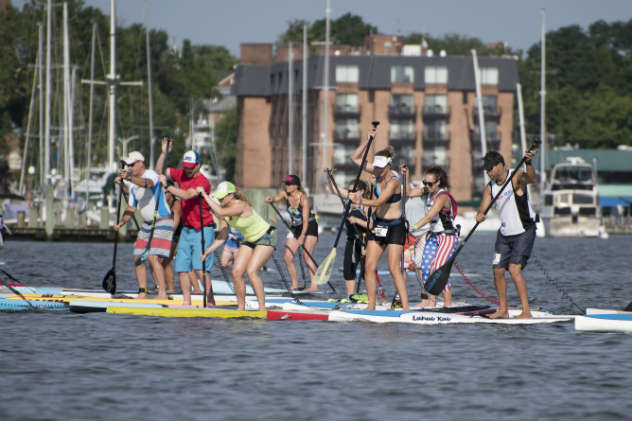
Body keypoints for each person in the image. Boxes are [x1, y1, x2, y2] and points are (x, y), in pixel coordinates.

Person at [348, 128, 409, 310]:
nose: (377, 170)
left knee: (393, 268)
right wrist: (367, 141)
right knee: (369, 267)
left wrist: (359, 200)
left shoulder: (394, 182)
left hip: (396, 226)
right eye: (376, 166)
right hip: (380, 225)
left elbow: (380, 201)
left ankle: (406, 308)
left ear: (388, 166)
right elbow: (354, 158)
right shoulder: (375, 172)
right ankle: (372, 306)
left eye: (381, 167)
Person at [476, 149, 538, 319]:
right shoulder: (489, 188)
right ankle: (503, 310)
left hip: (523, 231)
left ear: (501, 165)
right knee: (497, 270)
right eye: (486, 169)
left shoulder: (515, 177)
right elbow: (483, 209)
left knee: (514, 269)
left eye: (491, 168)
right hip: (504, 234)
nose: (489, 172)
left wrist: (528, 163)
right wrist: (480, 215)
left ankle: (526, 312)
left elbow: (532, 179)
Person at [198, 182, 277, 311]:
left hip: (266, 236)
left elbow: (219, 210)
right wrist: (207, 252)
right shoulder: (224, 214)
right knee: (236, 272)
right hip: (249, 240)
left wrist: (204, 195)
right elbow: (222, 237)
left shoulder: (240, 205)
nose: (219, 200)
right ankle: (241, 308)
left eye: (222, 197)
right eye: (218, 198)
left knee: (251, 271)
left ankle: (262, 308)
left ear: (231, 196)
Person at [156, 139, 216, 307]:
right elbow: (158, 170)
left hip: (203, 229)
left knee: (199, 269)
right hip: (187, 230)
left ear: (198, 165)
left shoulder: (203, 182)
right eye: (185, 168)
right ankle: (187, 302)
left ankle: (210, 301)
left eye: (190, 168)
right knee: (182, 269)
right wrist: (163, 153)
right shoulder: (181, 173)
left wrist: (167, 185)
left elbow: (187, 195)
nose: (187, 171)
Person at [113, 151, 173, 300]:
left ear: (140, 163)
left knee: (153, 257)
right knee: (137, 257)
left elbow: (149, 184)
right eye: (128, 166)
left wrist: (128, 178)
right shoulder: (133, 187)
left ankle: (162, 294)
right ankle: (142, 292)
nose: (130, 168)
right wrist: (121, 222)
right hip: (147, 225)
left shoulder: (151, 174)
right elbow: (131, 208)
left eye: (132, 165)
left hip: (162, 220)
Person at [408, 166, 459, 308]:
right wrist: (405, 175)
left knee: (439, 269)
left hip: (447, 237)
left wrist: (413, 228)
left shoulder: (442, 196)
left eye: (430, 184)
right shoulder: (427, 191)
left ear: (438, 182)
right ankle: (431, 302)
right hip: (433, 236)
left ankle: (447, 304)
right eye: (425, 183)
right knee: (425, 267)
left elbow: (430, 216)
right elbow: (409, 193)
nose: (426, 186)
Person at [264, 175, 319, 292]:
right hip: (295, 227)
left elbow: (305, 220)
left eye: (289, 184)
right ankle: (295, 284)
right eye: (286, 184)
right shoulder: (285, 194)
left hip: (309, 226)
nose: (286, 186)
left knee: (307, 256)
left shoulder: (303, 198)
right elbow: (276, 197)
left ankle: (314, 286)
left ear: (296, 186)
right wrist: (271, 199)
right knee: (287, 257)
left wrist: (302, 236)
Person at [326, 176, 369, 298]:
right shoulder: (347, 200)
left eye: (353, 191)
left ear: (361, 192)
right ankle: (351, 296)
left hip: (365, 240)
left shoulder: (366, 205)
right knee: (348, 269)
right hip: (351, 239)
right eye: (349, 191)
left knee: (367, 271)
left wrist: (356, 220)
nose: (350, 193)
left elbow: (372, 225)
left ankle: (372, 296)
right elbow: (333, 189)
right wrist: (330, 176)